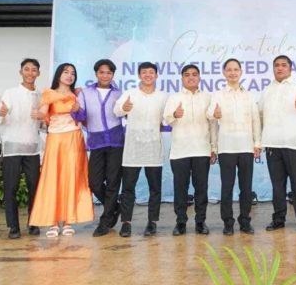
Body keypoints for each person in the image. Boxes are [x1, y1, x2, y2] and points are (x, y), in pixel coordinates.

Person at [30, 63, 94, 237]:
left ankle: (68, 221)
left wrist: (78, 110)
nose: (69, 76)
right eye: (66, 72)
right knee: (53, 177)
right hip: (55, 139)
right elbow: (43, 113)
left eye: (73, 73)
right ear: (59, 74)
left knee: (72, 177)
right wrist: (38, 115)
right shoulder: (49, 93)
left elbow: (84, 117)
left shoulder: (77, 94)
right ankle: (52, 221)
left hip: (74, 138)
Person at [206, 59, 261, 235]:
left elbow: (255, 120)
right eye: (229, 70)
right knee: (227, 187)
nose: (232, 73)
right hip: (226, 147)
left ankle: (245, 221)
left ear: (241, 72)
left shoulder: (249, 95)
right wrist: (213, 147)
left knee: (246, 187)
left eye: (236, 69)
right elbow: (211, 120)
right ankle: (228, 222)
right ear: (223, 73)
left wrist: (257, 143)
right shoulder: (218, 94)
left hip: (246, 146)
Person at [260, 55, 296, 232]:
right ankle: (278, 219)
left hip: (293, 141)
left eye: (284, 65)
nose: (280, 68)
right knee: (277, 185)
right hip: (272, 143)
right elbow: (260, 113)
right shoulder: (268, 89)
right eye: (276, 65)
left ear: (290, 68)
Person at [72, 59, 125, 237]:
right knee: (94, 182)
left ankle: (106, 220)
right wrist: (76, 109)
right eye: (101, 72)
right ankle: (116, 207)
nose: (105, 75)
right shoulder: (85, 93)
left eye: (108, 73)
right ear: (96, 74)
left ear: (113, 75)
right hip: (96, 142)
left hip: (116, 141)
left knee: (113, 182)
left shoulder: (120, 94)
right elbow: (80, 115)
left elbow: (124, 114)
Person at [114, 62, 168, 237]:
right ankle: (126, 223)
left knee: (155, 189)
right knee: (128, 188)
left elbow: (166, 119)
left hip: (153, 147)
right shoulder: (130, 93)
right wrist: (125, 108)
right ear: (139, 75)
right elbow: (117, 111)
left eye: (151, 72)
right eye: (144, 72)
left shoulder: (163, 96)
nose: (148, 75)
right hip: (133, 148)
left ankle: (152, 223)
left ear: (156, 76)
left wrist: (171, 117)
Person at [163, 64, 217, 236]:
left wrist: (214, 148)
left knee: (201, 189)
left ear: (199, 77)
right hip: (180, 151)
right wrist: (174, 115)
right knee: (180, 189)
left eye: (194, 74)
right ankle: (180, 223)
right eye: (187, 75)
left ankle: (201, 222)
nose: (191, 77)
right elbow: (165, 121)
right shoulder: (174, 97)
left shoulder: (208, 97)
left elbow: (213, 124)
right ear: (182, 78)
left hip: (202, 150)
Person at [0, 58, 43, 239]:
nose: (30, 73)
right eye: (27, 69)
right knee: (11, 188)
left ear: (38, 73)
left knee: (34, 187)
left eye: (34, 70)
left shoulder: (40, 95)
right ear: (20, 72)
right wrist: (2, 113)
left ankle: (33, 223)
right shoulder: (10, 93)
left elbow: (42, 124)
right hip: (13, 147)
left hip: (32, 148)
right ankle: (13, 227)